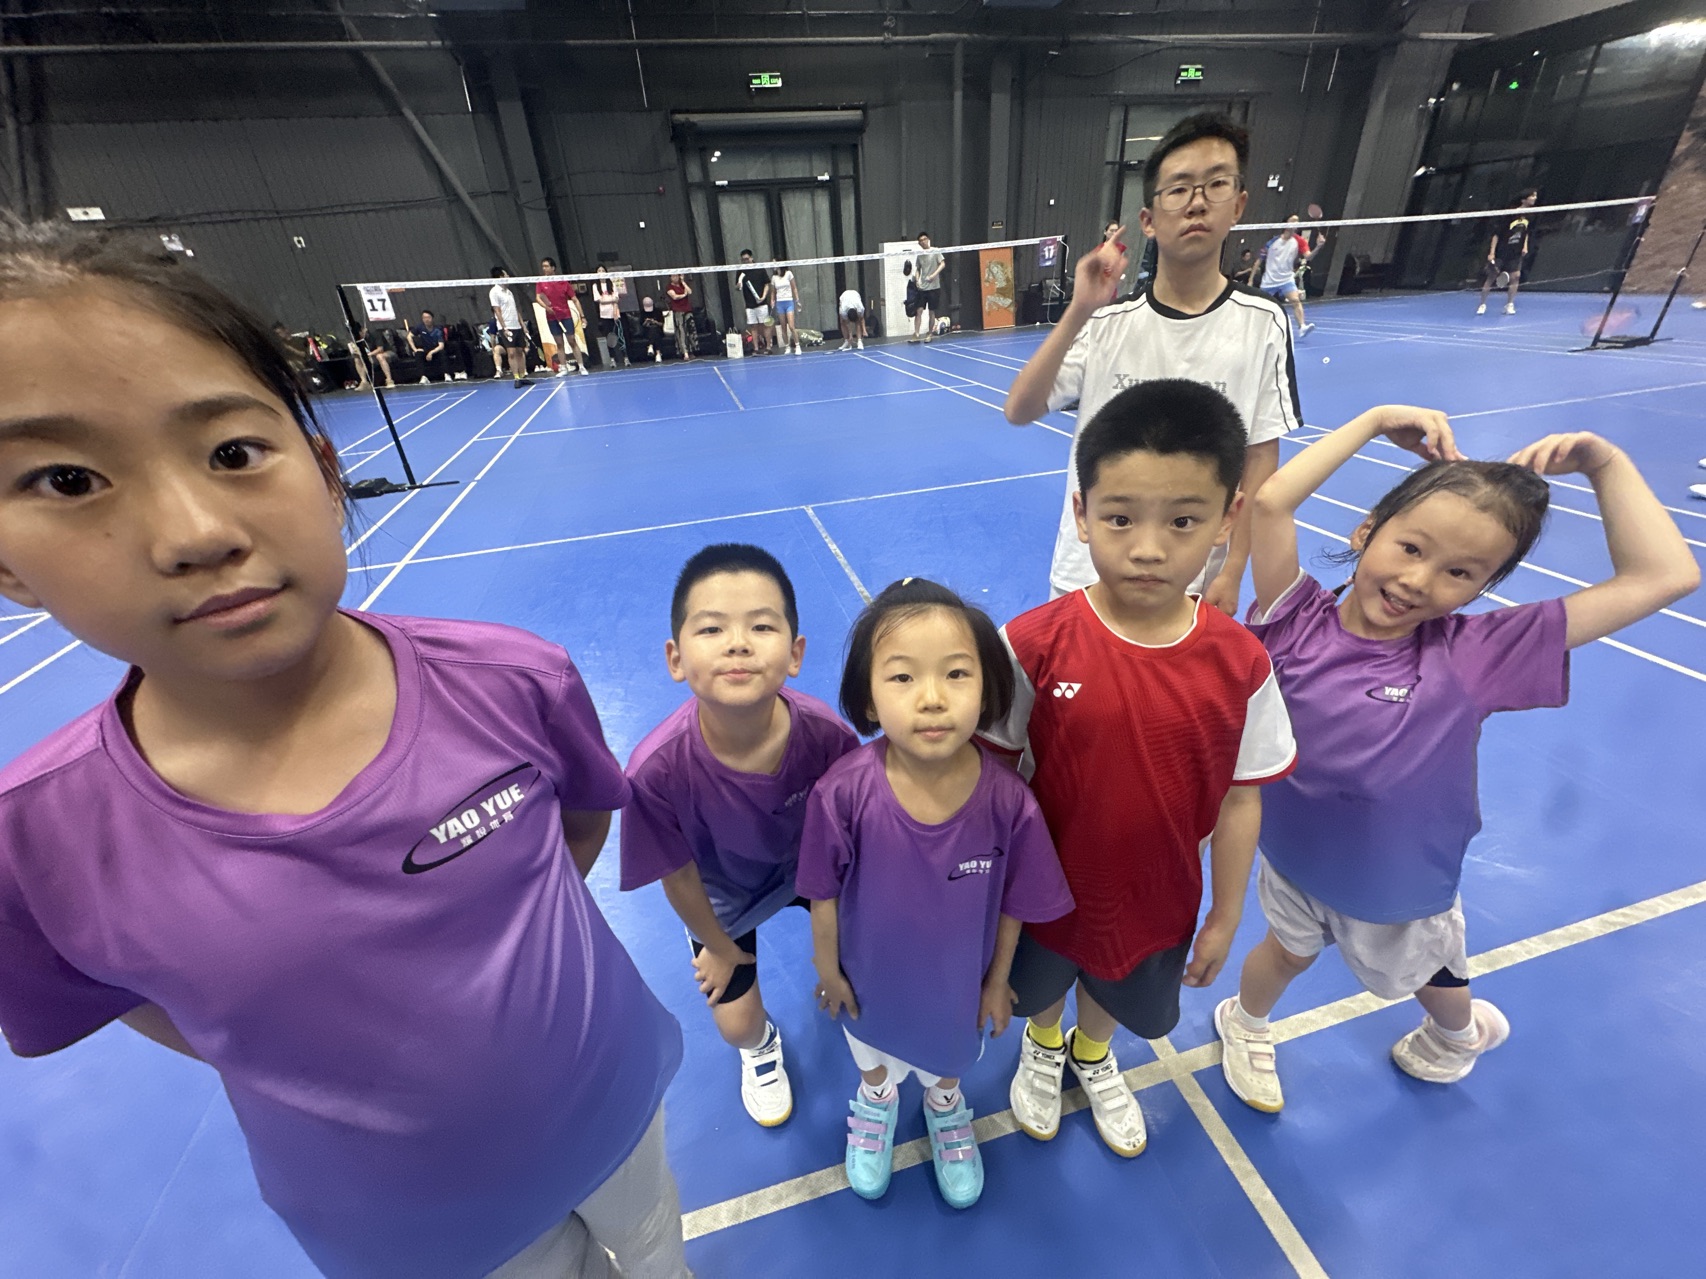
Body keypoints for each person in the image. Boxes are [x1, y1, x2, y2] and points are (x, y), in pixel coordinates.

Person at [0, 215, 693, 1279]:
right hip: (420, 1231)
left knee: (652, 1250)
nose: (194, 532)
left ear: (325, 472)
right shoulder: (32, 841)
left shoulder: (514, 677)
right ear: (7, 566)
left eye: (233, 452)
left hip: (612, 1101)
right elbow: (128, 998)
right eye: (67, 478)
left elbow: (574, 836)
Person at [1215, 411, 1699, 1111]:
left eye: (1460, 573)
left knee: (1431, 975)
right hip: (1291, 856)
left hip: (1398, 878)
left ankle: (1457, 1036)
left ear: (1482, 588)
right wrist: (1374, 422)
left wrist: (1606, 464)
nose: (1419, 580)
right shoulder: (1294, 617)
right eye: (1410, 547)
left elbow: (1665, 575)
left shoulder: (1475, 653)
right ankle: (1245, 1021)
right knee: (1285, 952)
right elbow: (1270, 501)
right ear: (1365, 531)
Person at [984, 379, 1297, 1159]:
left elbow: (1240, 800)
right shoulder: (1031, 643)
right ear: (1081, 513)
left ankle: (1092, 1053)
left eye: (1183, 520)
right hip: (1044, 891)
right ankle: (1044, 1045)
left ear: (1227, 518)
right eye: (1120, 518)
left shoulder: (1241, 662)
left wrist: (1227, 911)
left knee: (1116, 984)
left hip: (1158, 892)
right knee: (1044, 984)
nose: (1149, 548)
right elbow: (991, 781)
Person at [799, 578, 1073, 1209]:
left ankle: (946, 1104)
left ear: (988, 689)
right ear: (868, 700)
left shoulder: (1010, 804)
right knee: (871, 1048)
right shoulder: (841, 794)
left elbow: (1016, 903)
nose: (931, 698)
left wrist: (997, 980)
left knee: (949, 1058)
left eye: (956, 674)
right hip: (870, 980)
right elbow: (822, 893)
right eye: (902, 677)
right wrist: (828, 971)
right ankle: (877, 1097)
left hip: (957, 984)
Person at [1004, 112, 1303, 617]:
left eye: (1216, 185)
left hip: (1190, 578)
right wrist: (1081, 308)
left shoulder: (1262, 322)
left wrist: (1232, 570)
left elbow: (1259, 458)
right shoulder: (1106, 323)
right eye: (1179, 189)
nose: (1197, 203)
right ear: (1149, 220)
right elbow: (1020, 408)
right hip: (1087, 573)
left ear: (1238, 204)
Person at [621, 545, 859, 1128]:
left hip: (810, 871)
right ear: (676, 658)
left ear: (796, 653)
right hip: (724, 892)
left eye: (761, 626)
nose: (737, 643)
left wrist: (839, 940)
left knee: (868, 966)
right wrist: (719, 946)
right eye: (711, 629)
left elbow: (852, 842)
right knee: (737, 1025)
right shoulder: (655, 771)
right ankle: (761, 1048)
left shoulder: (828, 737)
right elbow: (678, 878)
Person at [1478, 188, 1538, 316]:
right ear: (1524, 199)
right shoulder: (1510, 214)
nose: (1535, 198)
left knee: (1516, 277)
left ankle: (1509, 304)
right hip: (1501, 250)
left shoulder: (1531, 215)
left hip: (1515, 252)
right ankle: (1482, 304)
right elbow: (1496, 234)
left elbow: (1526, 232)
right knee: (1492, 277)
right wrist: (1492, 253)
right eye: (1532, 196)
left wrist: (1525, 246)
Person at [1259, 215, 1316, 337]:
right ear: (1285, 224)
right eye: (1293, 220)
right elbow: (1260, 260)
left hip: (1286, 279)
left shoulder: (1299, 241)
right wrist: (1250, 278)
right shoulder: (1272, 242)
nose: (1296, 223)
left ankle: (1302, 327)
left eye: (1297, 221)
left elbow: (1308, 257)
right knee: (1260, 306)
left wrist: (1319, 246)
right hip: (1270, 279)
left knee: (1295, 300)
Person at [537, 257, 589, 376]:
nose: (544, 269)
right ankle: (564, 367)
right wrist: (547, 308)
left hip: (565, 316)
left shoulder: (563, 282)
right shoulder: (540, 282)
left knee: (572, 341)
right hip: (552, 318)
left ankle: (581, 366)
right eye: (543, 266)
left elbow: (575, 299)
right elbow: (538, 298)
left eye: (546, 266)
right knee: (559, 343)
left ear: (553, 268)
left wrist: (582, 316)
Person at [489, 266, 530, 388]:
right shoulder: (494, 292)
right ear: (501, 277)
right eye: (506, 275)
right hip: (506, 327)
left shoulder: (509, 292)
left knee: (520, 351)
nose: (508, 277)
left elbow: (515, 309)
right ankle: (516, 378)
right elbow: (497, 311)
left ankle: (522, 376)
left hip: (516, 325)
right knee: (511, 353)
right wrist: (504, 327)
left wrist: (523, 325)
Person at [593, 265, 630, 369]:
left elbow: (616, 299)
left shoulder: (612, 283)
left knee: (620, 337)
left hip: (615, 314)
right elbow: (599, 300)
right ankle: (612, 359)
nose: (601, 272)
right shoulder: (595, 286)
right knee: (609, 338)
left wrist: (614, 309)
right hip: (604, 316)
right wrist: (611, 299)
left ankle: (625, 358)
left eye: (603, 270)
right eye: (599, 270)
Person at [737, 250, 773, 355]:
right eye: (743, 260)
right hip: (749, 304)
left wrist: (763, 297)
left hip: (761, 303)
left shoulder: (760, 269)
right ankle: (756, 348)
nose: (745, 261)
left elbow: (767, 284)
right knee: (753, 326)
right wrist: (738, 285)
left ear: (751, 258)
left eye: (747, 259)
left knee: (765, 325)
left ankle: (768, 347)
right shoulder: (740, 271)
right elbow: (737, 287)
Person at [911, 232, 945, 342]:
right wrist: (917, 280)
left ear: (928, 239)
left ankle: (929, 334)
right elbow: (918, 269)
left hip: (934, 288)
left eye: (924, 239)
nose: (923, 242)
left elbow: (942, 264)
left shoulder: (935, 251)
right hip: (922, 288)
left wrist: (933, 275)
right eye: (921, 240)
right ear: (919, 243)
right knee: (919, 311)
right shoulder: (920, 255)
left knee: (931, 312)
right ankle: (916, 334)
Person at [408, 308, 448, 383]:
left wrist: (431, 353)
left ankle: (446, 374)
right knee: (418, 354)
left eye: (428, 317)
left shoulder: (438, 329)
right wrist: (415, 349)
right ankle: (423, 377)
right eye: (424, 318)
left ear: (432, 318)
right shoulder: (420, 327)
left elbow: (441, 346)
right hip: (426, 350)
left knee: (442, 352)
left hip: (436, 350)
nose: (426, 320)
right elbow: (409, 336)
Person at [769, 264, 802, 356]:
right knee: (783, 327)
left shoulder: (788, 274)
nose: (773, 265)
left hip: (789, 302)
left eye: (774, 263)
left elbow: (794, 288)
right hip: (780, 304)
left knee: (791, 326)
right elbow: (773, 292)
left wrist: (797, 300)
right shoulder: (774, 277)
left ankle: (797, 346)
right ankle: (787, 347)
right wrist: (772, 300)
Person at [665, 274, 698, 361]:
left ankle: (691, 351)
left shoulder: (682, 285)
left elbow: (690, 292)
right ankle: (684, 352)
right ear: (670, 278)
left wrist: (683, 281)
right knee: (681, 331)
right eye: (673, 276)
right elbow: (675, 297)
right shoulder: (669, 287)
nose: (675, 278)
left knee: (690, 330)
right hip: (678, 311)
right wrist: (684, 295)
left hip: (687, 310)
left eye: (677, 276)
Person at [837, 285, 866, 351]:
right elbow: (847, 323)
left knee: (858, 322)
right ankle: (846, 341)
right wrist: (850, 335)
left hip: (855, 295)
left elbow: (862, 318)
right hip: (844, 296)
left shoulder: (860, 308)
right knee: (842, 322)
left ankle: (859, 341)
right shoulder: (843, 311)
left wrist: (864, 330)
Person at [637, 297, 666, 363]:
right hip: (647, 331)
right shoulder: (643, 312)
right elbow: (641, 325)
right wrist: (646, 322)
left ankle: (650, 345)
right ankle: (658, 353)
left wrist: (655, 322)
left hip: (658, 329)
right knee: (653, 332)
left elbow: (661, 324)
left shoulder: (658, 311)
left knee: (655, 329)